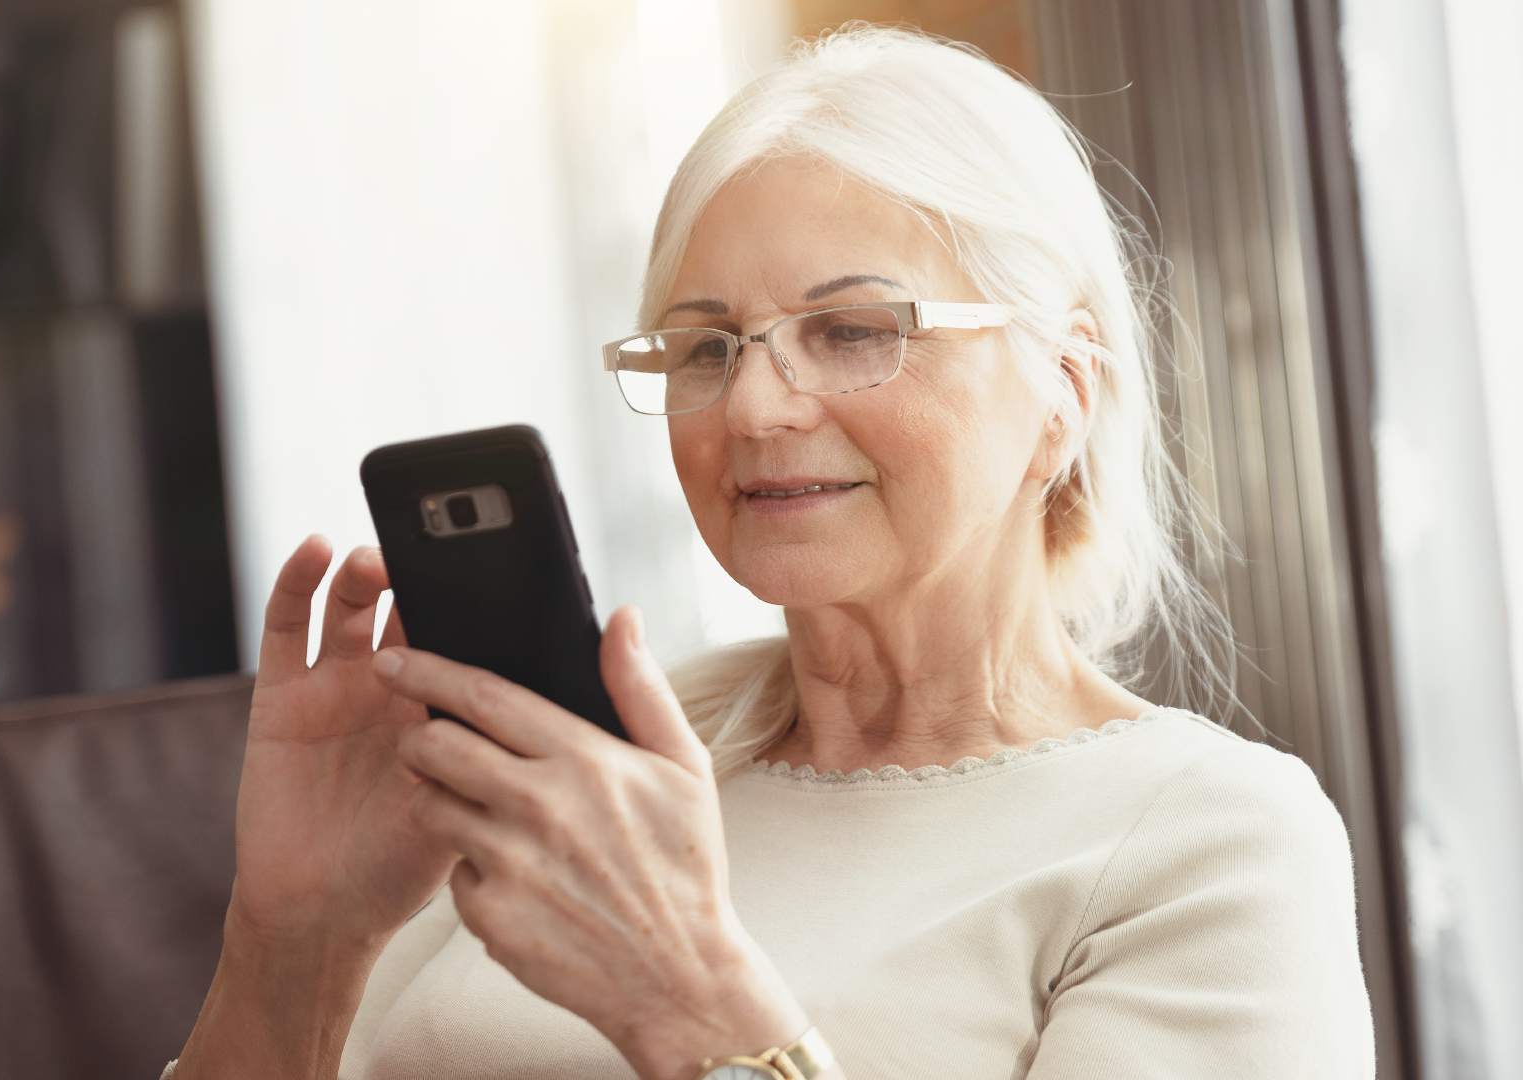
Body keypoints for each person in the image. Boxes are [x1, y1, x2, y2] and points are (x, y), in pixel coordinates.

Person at [169, 26, 1372, 1080]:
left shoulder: (1208, 841)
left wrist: (690, 1001)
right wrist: (297, 943)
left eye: (852, 331)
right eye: (704, 350)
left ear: (1061, 393)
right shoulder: (600, 752)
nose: (752, 410)